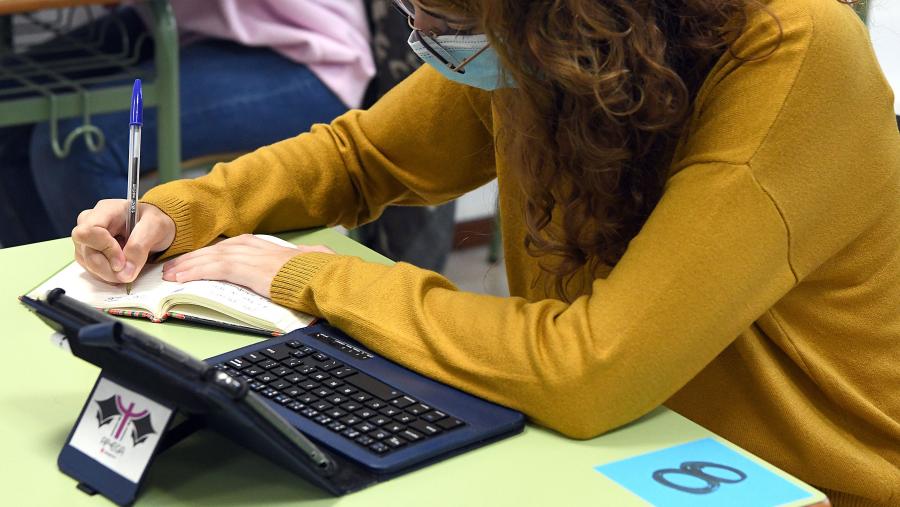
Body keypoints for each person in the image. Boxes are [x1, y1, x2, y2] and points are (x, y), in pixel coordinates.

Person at [70, 0, 900, 505]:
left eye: (449, 24)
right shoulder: (538, 46)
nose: (423, 38)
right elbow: (361, 157)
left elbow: (591, 368)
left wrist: (312, 278)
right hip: (608, 445)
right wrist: (179, 212)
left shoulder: (796, 57)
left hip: (797, 481)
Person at [0, 0, 374, 246]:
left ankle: (120, 304)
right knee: (10, 107)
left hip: (307, 55)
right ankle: (47, 294)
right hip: (190, 25)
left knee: (78, 143)